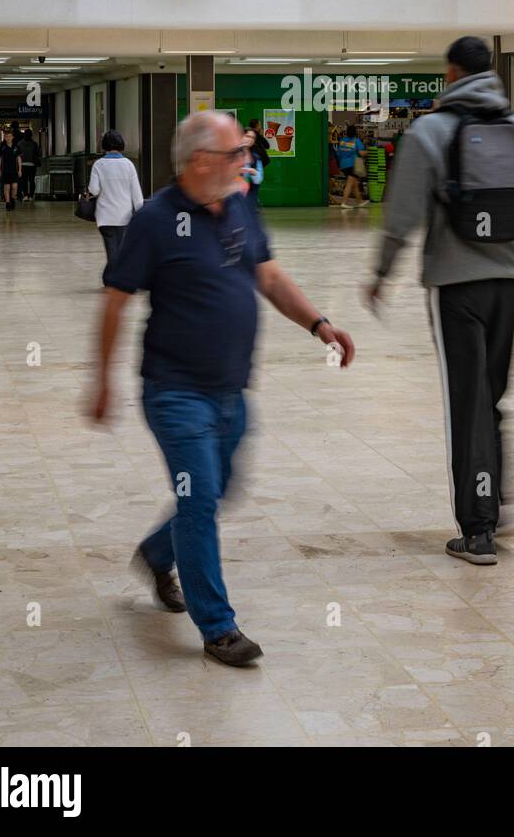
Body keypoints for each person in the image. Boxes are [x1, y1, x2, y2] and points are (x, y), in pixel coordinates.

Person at [88, 111, 355, 667]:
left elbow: (271, 277)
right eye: (237, 153)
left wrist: (319, 324)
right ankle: (218, 627)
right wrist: (101, 380)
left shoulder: (238, 205)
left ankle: (155, 554)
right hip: (174, 392)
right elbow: (115, 299)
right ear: (200, 161)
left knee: (219, 488)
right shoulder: (155, 221)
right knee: (199, 498)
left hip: (231, 392)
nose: (246, 162)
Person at [367, 37, 514, 567]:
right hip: (511, 282)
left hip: (457, 287)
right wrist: (508, 226)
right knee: (493, 396)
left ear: (451, 73)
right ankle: (498, 499)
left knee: (468, 403)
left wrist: (380, 274)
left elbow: (402, 214)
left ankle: (478, 532)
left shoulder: (430, 131)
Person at [88, 130, 144, 285]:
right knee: (120, 250)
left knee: (112, 250)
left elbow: (94, 190)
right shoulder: (129, 165)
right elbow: (137, 195)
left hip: (105, 216)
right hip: (125, 216)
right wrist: (141, 214)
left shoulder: (99, 165)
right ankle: (116, 279)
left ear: (104, 145)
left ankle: (111, 279)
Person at [336, 124, 367, 208]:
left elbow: (338, 154)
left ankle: (360, 202)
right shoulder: (356, 141)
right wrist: (369, 151)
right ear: (355, 132)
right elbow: (361, 153)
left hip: (343, 165)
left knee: (355, 184)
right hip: (352, 165)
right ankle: (344, 202)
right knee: (350, 183)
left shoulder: (342, 141)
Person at [0, 129, 22, 211]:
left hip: (14, 170)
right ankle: (7, 203)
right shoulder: (3, 147)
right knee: (7, 187)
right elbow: (0, 159)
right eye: (6, 136)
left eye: (9, 136)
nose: (8, 138)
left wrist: (20, 170)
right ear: (4, 138)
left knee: (15, 187)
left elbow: (19, 158)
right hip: (5, 170)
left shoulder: (16, 147)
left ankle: (12, 198)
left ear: (12, 137)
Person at [241, 127, 264, 209]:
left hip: (250, 199)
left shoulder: (256, 157)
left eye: (253, 138)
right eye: (247, 136)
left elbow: (259, 180)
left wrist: (254, 172)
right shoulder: (232, 153)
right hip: (234, 198)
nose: (250, 139)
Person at [18, 128, 41, 200]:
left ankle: (25, 195)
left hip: (23, 164)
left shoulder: (19, 143)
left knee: (24, 180)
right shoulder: (34, 144)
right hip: (32, 164)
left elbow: (17, 154)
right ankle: (31, 195)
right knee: (31, 180)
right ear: (31, 135)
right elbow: (39, 153)